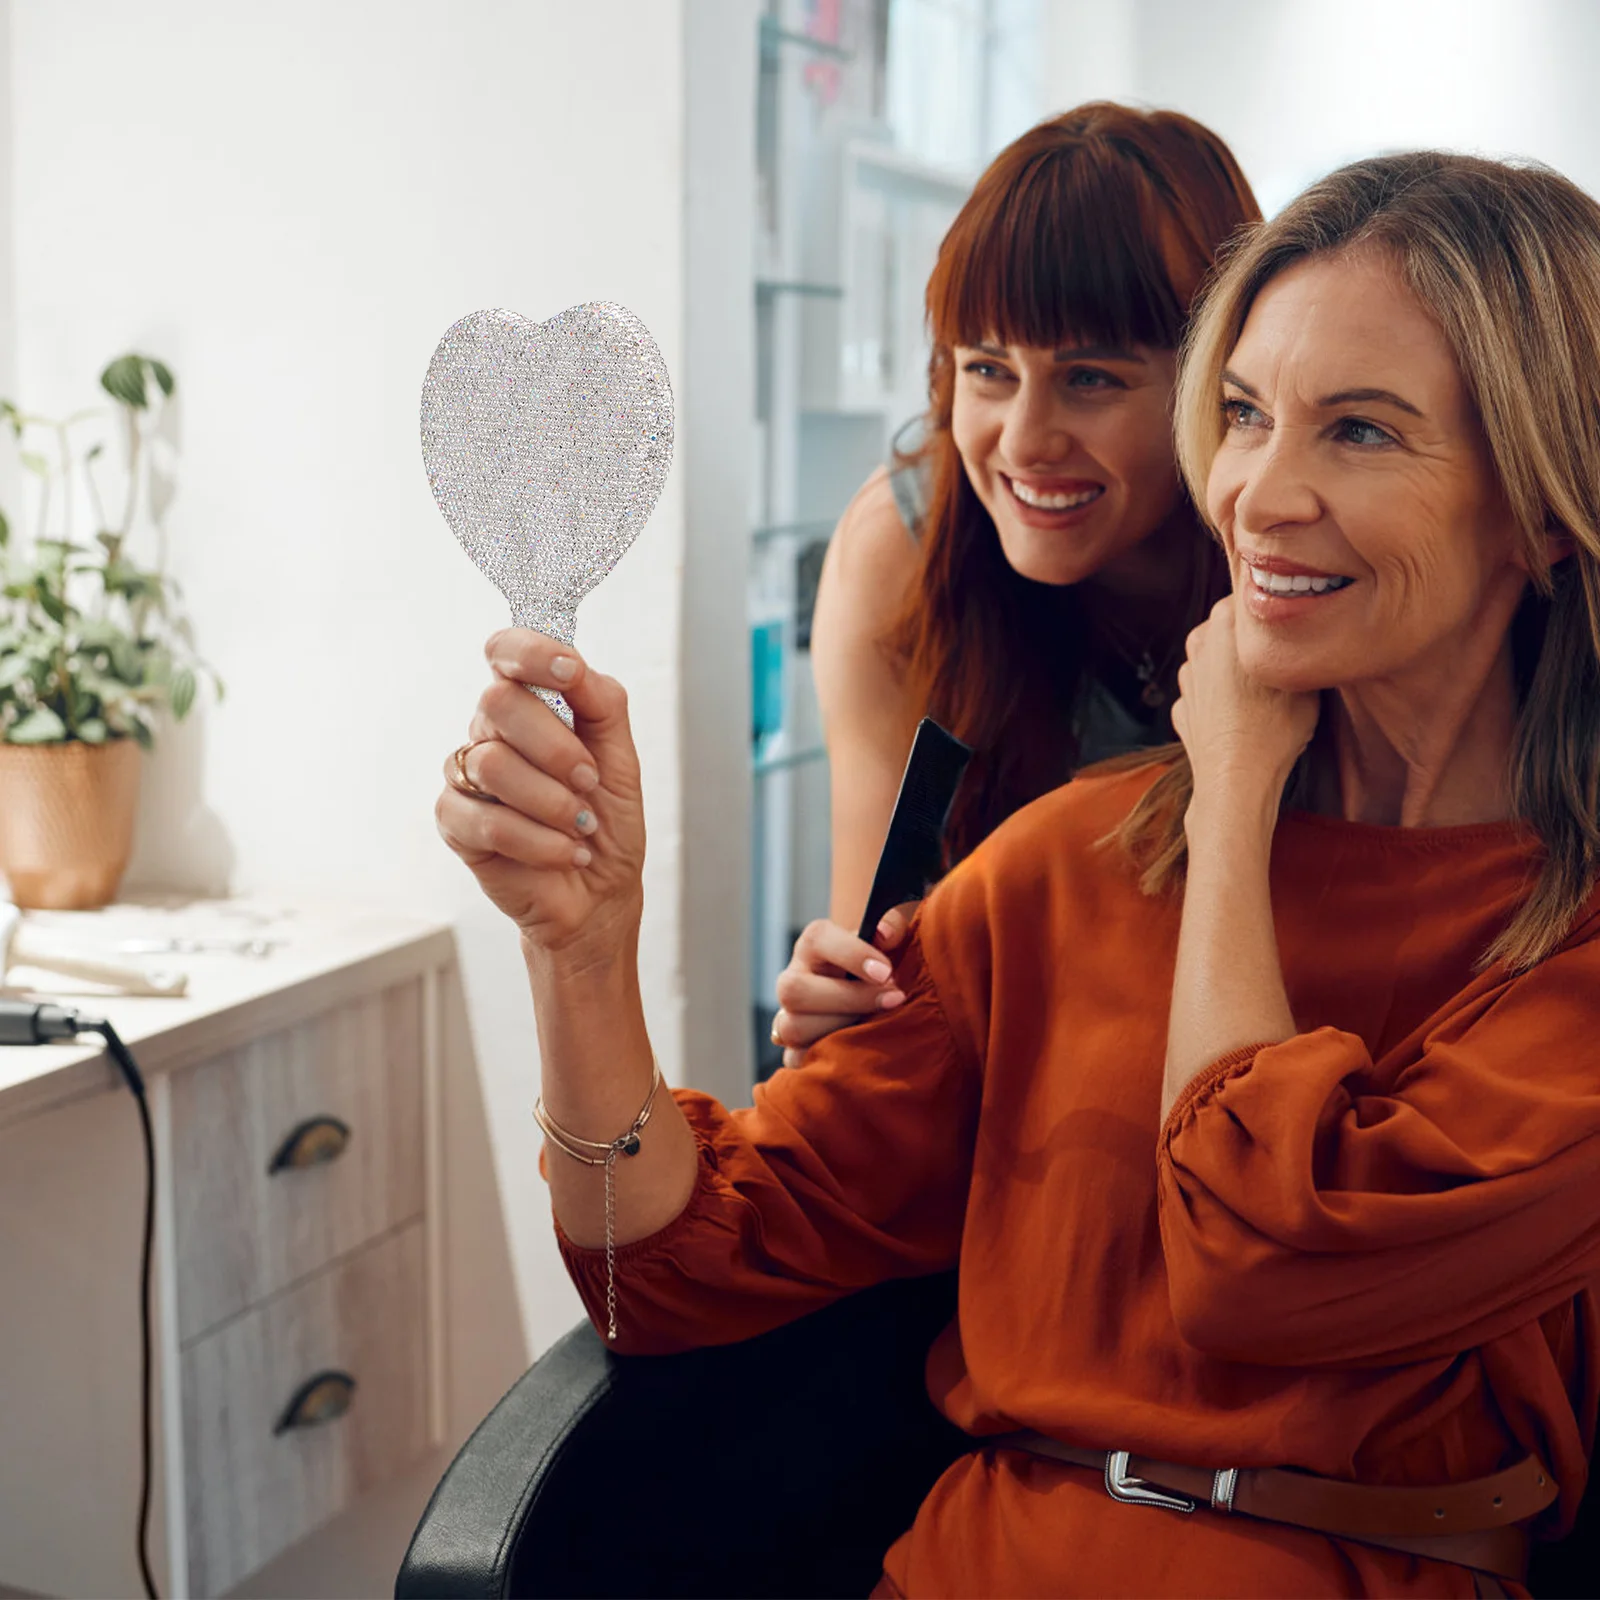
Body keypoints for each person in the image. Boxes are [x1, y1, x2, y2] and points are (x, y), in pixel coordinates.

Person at [437, 150, 1600, 1595]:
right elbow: (676, 1271)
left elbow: (1260, 1263)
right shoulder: (1063, 862)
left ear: (1546, 510)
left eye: (1359, 431)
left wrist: (1232, 801)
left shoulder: (1570, 952)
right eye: (1242, 415)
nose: (1256, 495)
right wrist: (581, 946)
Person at [773, 103, 1259, 1069]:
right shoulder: (904, 547)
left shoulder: (1289, 554)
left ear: (1217, 383)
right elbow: (872, 954)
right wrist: (837, 1019)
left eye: (1090, 379)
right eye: (988, 369)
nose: (1025, 442)